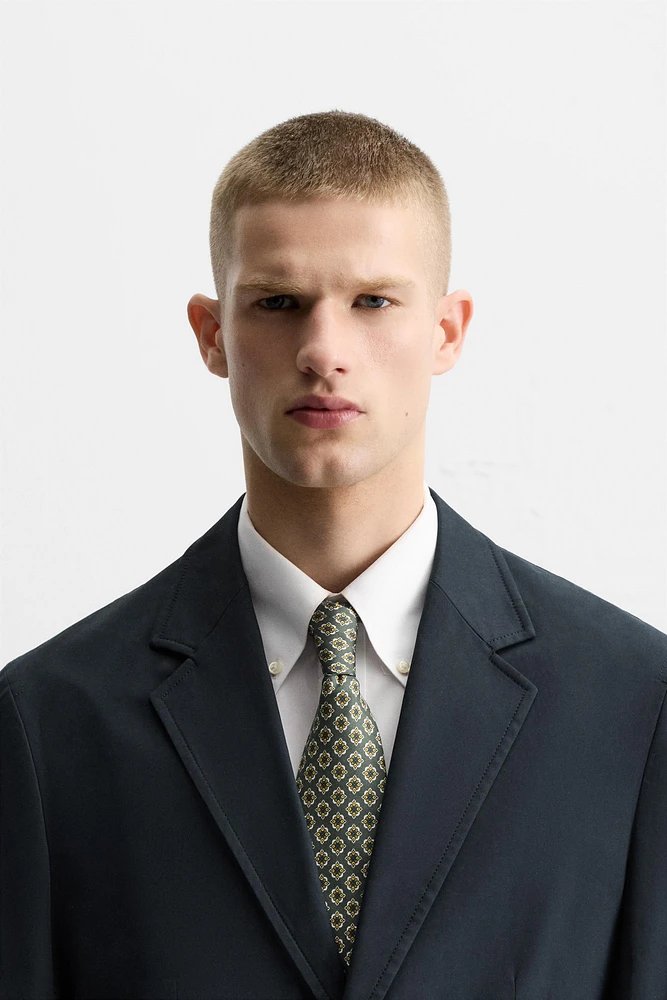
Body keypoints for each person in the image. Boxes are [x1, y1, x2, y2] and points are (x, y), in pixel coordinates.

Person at [1, 109, 665, 1000]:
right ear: (210, 333)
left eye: (373, 301)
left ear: (447, 331)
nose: (322, 351)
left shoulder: (631, 705)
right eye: (278, 303)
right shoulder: (49, 722)